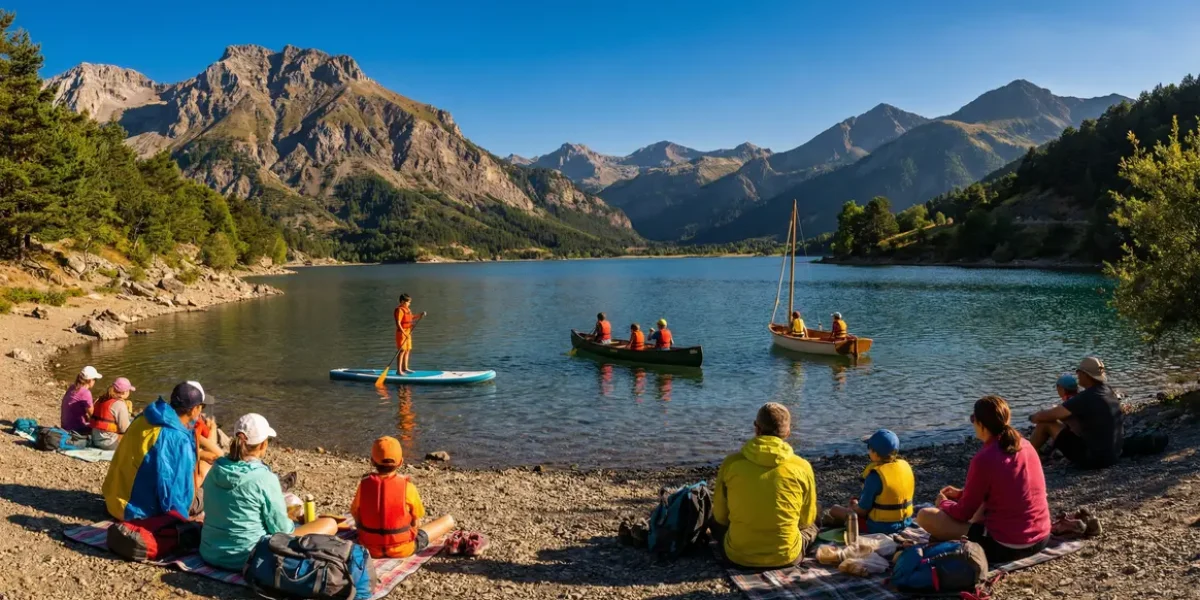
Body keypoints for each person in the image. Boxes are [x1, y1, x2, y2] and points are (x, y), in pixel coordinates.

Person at [916, 395, 1050, 564]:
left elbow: (964, 513)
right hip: (1041, 538)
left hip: (1007, 548)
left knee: (924, 516)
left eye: (973, 419)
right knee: (979, 508)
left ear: (981, 424)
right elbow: (1006, 488)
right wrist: (962, 494)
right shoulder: (1026, 445)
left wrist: (943, 503)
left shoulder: (984, 459)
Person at [200, 413, 338, 570]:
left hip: (210, 552)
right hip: (248, 558)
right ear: (263, 445)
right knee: (329, 524)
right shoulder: (264, 478)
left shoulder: (216, 469)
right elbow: (281, 531)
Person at [711, 403, 818, 568]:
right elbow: (806, 520)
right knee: (815, 520)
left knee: (714, 522)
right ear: (788, 432)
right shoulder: (802, 467)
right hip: (786, 556)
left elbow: (720, 516)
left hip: (738, 556)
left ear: (756, 428)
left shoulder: (731, 463)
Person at [103, 381, 209, 521]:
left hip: (113, 501)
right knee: (212, 489)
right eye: (201, 406)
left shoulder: (145, 417)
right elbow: (174, 494)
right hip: (137, 513)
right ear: (194, 409)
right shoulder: (175, 438)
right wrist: (182, 522)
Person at [351, 436, 457, 559]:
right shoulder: (408, 487)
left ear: (372, 461)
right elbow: (416, 521)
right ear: (401, 462)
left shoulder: (364, 485)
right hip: (403, 549)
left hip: (369, 549)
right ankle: (449, 522)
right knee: (447, 520)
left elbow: (355, 514)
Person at [1029, 357, 1123, 469]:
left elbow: (1049, 415)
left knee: (1045, 423)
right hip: (1114, 455)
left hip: (1094, 460)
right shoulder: (1108, 390)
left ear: (1085, 375)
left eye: (1078, 372)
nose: (1077, 376)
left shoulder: (1085, 397)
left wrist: (1033, 417)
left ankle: (1024, 456)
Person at [823, 429, 915, 534]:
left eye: (869, 448)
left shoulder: (875, 476)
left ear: (875, 453)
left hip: (879, 527)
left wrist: (854, 507)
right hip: (906, 522)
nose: (868, 451)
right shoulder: (905, 467)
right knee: (855, 501)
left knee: (835, 509)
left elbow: (862, 512)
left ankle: (838, 522)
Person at [90, 377, 135, 451]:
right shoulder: (119, 404)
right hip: (108, 443)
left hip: (95, 438)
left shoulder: (101, 399)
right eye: (129, 390)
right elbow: (124, 429)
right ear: (124, 392)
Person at [61, 366, 102, 434]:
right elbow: (93, 415)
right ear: (89, 380)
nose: (95, 382)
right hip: (76, 429)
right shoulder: (86, 393)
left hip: (65, 426)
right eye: (95, 379)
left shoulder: (72, 387)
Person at [393, 294, 426, 375]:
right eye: (408, 302)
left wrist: (420, 315)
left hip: (408, 332)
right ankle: (399, 370)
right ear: (402, 302)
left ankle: (405, 368)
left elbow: (412, 317)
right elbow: (398, 323)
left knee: (407, 350)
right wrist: (404, 333)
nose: (409, 304)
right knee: (402, 350)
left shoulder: (407, 310)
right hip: (401, 333)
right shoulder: (400, 310)